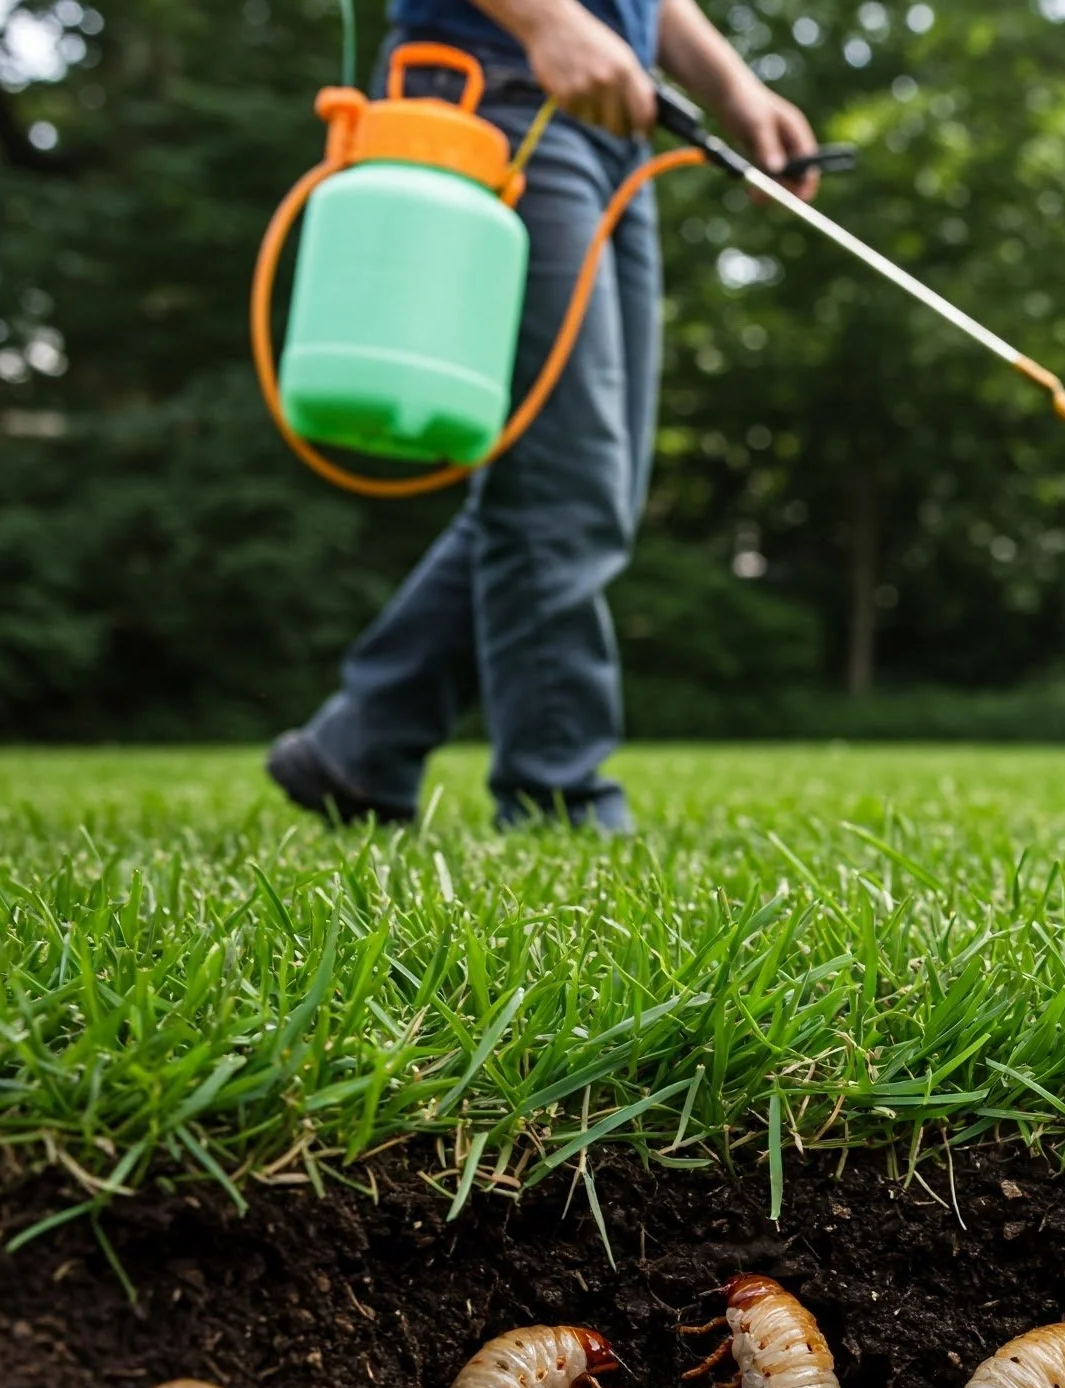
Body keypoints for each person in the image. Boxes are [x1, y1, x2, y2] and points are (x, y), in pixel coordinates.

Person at [266, 0, 819, 832]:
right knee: (567, 478)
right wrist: (547, 20)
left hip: (609, 122)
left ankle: (364, 742)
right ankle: (559, 798)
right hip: (497, 90)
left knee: (590, 478)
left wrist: (738, 91)